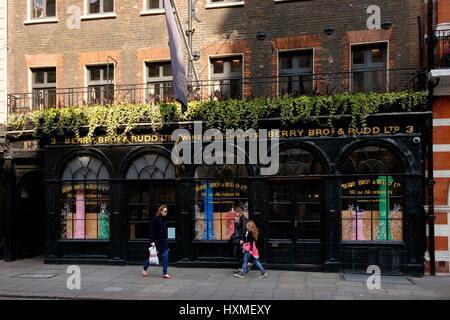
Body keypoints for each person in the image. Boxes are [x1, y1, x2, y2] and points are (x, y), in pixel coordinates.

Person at [142, 205, 172, 279]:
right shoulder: (155, 219)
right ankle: (144, 268)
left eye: (166, 211)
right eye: (165, 211)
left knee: (166, 256)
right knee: (153, 256)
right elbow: (152, 230)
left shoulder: (164, 219)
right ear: (160, 211)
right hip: (157, 241)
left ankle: (165, 273)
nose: (166, 212)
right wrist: (152, 241)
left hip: (163, 240)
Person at [230, 207, 250, 272]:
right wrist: (236, 222)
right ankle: (245, 265)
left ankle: (242, 267)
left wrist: (242, 239)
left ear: (239, 212)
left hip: (241, 239)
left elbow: (244, 229)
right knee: (237, 253)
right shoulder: (239, 218)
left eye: (236, 213)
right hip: (238, 238)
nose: (235, 215)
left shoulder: (243, 218)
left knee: (239, 253)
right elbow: (237, 229)